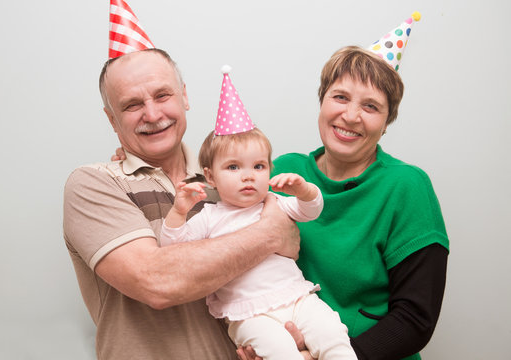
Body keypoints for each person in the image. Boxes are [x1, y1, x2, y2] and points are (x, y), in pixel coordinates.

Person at [63, 48, 302, 360]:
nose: (152, 114)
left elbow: (286, 258)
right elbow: (156, 281)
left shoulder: (228, 183)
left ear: (184, 97)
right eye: (132, 105)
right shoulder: (94, 184)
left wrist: (285, 342)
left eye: (162, 95)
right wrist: (269, 234)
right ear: (112, 119)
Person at [239, 45, 449, 360]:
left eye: (371, 106)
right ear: (322, 100)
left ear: (387, 121)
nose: (350, 116)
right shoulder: (281, 172)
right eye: (340, 97)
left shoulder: (407, 187)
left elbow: (416, 318)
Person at [160, 126, 358, 360]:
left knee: (333, 336)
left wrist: (303, 190)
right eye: (233, 167)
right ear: (210, 176)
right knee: (280, 353)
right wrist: (179, 212)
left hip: (298, 299)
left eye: (258, 166)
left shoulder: (273, 202)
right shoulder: (208, 217)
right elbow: (173, 249)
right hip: (249, 315)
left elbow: (311, 210)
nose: (248, 176)